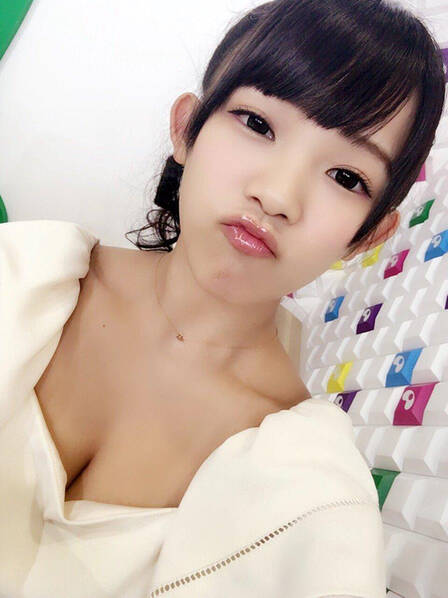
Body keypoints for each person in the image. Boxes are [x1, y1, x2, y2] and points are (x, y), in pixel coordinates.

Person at [0, 0, 445, 597]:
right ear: (186, 128)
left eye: (346, 177)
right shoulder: (22, 269)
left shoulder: (311, 499)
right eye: (257, 124)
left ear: (367, 235)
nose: (277, 195)